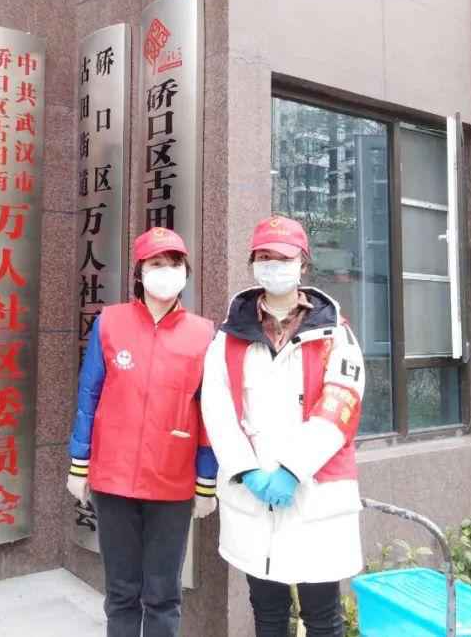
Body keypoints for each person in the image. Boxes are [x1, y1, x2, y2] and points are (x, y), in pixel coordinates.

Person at [200, 216, 366, 637]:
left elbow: (341, 404)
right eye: (265, 257)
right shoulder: (228, 337)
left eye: (284, 257)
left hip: (314, 493)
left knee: (322, 616)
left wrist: (292, 469)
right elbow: (216, 407)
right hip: (253, 492)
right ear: (253, 263)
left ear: (303, 264)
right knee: (268, 612)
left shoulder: (334, 333)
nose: (274, 265)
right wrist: (247, 470)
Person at [67, 227, 218, 637]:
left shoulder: (204, 334)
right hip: (113, 480)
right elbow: (89, 394)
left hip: (172, 482)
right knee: (121, 592)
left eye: (174, 264)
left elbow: (211, 413)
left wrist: (206, 481)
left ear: (185, 273)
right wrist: (79, 463)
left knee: (163, 595)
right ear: (140, 272)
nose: (166, 272)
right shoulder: (110, 322)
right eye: (156, 264)